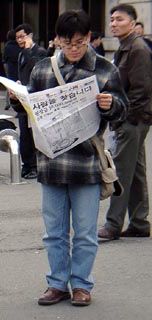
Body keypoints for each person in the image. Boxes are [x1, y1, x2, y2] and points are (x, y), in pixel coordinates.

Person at [23, 10, 127, 306]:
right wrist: (21, 103)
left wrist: (110, 104)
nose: (73, 49)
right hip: (52, 163)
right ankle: (57, 283)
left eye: (80, 43)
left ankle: (81, 284)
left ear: (89, 39)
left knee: (84, 232)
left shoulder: (105, 69)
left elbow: (123, 109)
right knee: (54, 232)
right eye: (67, 43)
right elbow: (30, 110)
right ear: (57, 40)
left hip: (87, 164)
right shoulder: (42, 69)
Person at [98, 4, 152, 240]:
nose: (113, 23)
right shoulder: (126, 48)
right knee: (136, 170)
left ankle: (113, 223)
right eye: (112, 20)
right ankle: (140, 221)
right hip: (133, 118)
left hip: (133, 119)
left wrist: (125, 118)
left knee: (121, 169)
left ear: (133, 22)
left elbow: (142, 89)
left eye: (119, 19)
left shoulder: (138, 49)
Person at [13, 23, 48, 179]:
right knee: (24, 133)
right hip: (23, 98)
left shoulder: (40, 52)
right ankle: (26, 164)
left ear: (30, 35)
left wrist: (28, 51)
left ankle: (34, 165)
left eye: (22, 36)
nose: (20, 40)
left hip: (36, 98)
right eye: (17, 38)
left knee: (34, 133)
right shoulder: (21, 54)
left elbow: (38, 68)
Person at [2, 30, 21, 110]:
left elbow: (4, 58)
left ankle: (8, 102)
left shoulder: (7, 46)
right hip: (18, 66)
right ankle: (18, 102)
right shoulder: (18, 46)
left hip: (9, 66)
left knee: (9, 84)